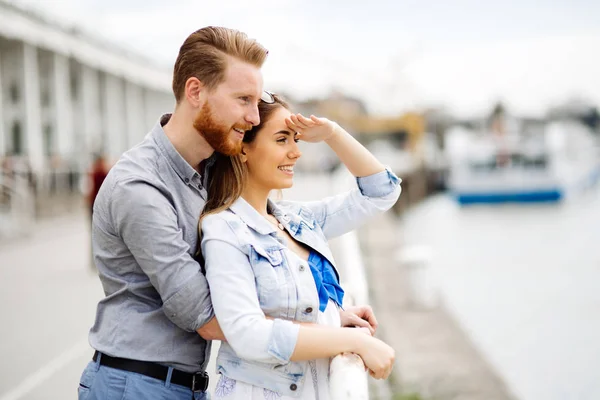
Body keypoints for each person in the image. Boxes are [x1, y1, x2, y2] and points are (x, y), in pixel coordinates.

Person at [77, 26, 268, 400]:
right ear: (195, 91)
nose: (254, 117)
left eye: (257, 101)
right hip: (133, 386)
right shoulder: (139, 187)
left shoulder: (214, 168)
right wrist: (320, 329)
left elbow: (282, 227)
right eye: (244, 99)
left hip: (182, 386)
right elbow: (204, 316)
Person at [200, 92, 401, 399]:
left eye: (296, 140)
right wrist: (354, 342)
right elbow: (248, 333)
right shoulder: (224, 229)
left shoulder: (299, 219)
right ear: (243, 148)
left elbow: (381, 192)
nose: (296, 152)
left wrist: (332, 133)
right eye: (282, 140)